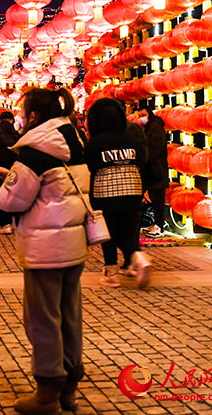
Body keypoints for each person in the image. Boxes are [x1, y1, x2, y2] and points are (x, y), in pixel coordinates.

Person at [0, 88, 89, 415]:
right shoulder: (74, 142)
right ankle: (68, 389)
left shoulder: (34, 150)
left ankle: (46, 394)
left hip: (46, 249)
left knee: (42, 320)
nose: (19, 118)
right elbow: (54, 188)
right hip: (74, 244)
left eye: (21, 112)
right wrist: (9, 174)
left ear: (32, 116)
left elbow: (10, 201)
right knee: (69, 316)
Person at [84, 98, 151, 289]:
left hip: (106, 191)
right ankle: (137, 257)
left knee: (108, 233)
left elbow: (89, 166)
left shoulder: (95, 142)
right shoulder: (129, 137)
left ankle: (111, 273)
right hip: (133, 190)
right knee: (126, 229)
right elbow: (140, 161)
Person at [139, 103, 169, 238]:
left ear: (149, 114)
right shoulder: (149, 127)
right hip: (152, 169)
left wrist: (147, 158)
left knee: (157, 198)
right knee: (154, 197)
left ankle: (159, 225)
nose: (142, 118)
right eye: (140, 116)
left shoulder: (155, 127)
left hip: (157, 169)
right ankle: (156, 224)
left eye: (143, 115)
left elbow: (157, 147)